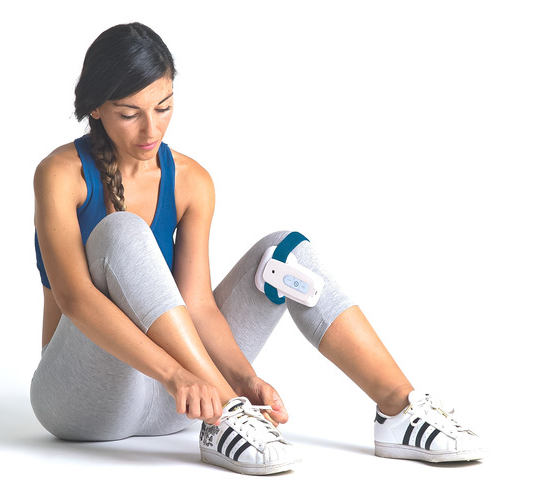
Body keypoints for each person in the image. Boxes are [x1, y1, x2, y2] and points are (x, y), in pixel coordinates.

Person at [30, 22, 483, 475]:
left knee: (283, 255)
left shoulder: (190, 181)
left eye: (163, 107)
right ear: (95, 107)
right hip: (83, 399)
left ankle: (398, 410)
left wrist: (243, 378)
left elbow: (197, 305)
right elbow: (76, 299)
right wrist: (182, 376)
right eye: (130, 114)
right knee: (123, 231)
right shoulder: (60, 174)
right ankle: (227, 414)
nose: (152, 128)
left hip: (181, 402)